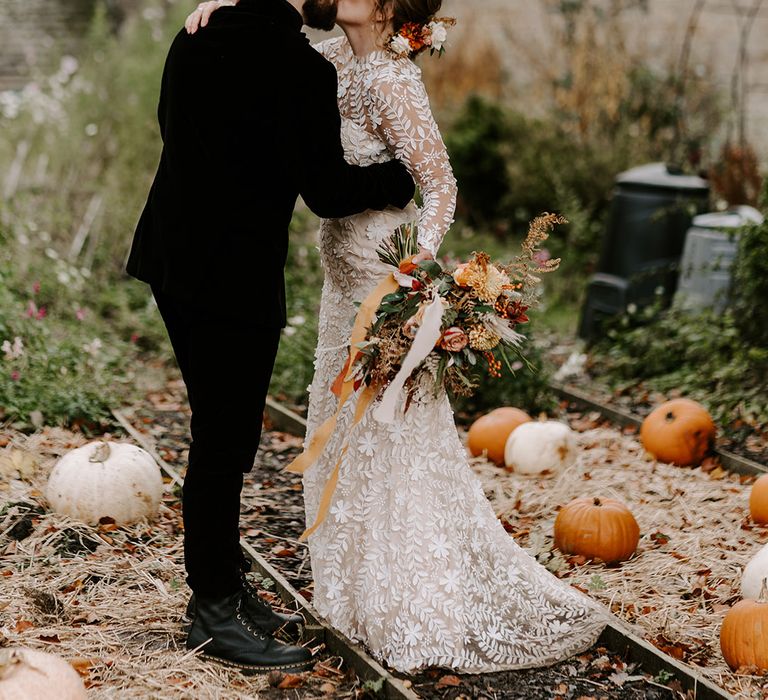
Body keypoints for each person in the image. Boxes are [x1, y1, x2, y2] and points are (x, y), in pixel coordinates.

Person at [189, 0, 609, 674]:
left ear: (389, 3)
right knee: (342, 441)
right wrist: (226, 4)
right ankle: (354, 597)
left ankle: (417, 605)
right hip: (340, 285)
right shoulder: (326, 60)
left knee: (394, 440)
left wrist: (417, 275)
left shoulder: (392, 78)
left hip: (386, 281)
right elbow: (264, 56)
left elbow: (439, 185)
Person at [126, 0, 416, 674]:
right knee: (224, 443)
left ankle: (226, 589)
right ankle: (212, 610)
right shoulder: (299, 68)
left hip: (174, 259)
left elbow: (169, 126)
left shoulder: (193, 37)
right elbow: (328, 191)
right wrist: (397, 177)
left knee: (219, 433)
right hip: (233, 277)